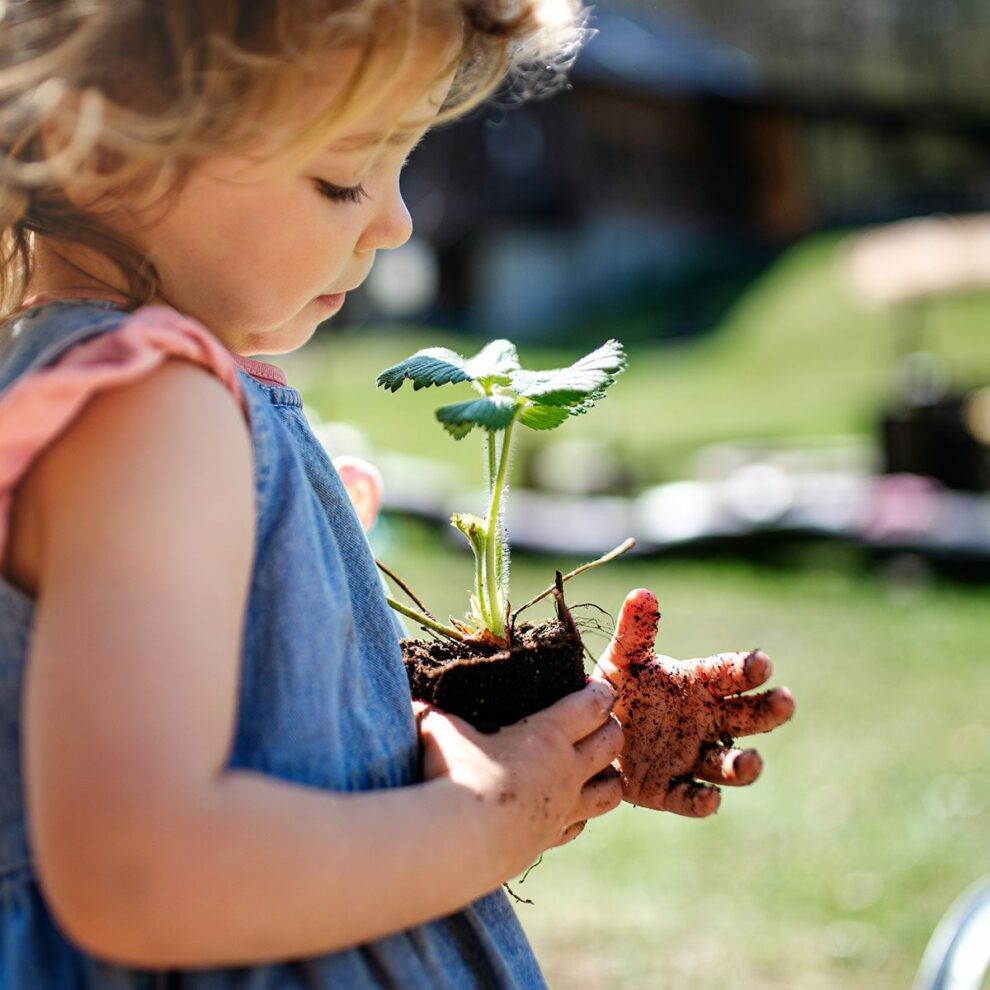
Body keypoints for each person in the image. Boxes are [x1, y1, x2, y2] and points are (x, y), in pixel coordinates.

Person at [0, 2, 794, 987]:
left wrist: (555, 738)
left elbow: (282, 751)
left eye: (403, 164)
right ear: (104, 142)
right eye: (344, 175)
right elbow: (139, 871)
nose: (398, 219)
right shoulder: (152, 415)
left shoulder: (131, 399)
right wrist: (491, 816)